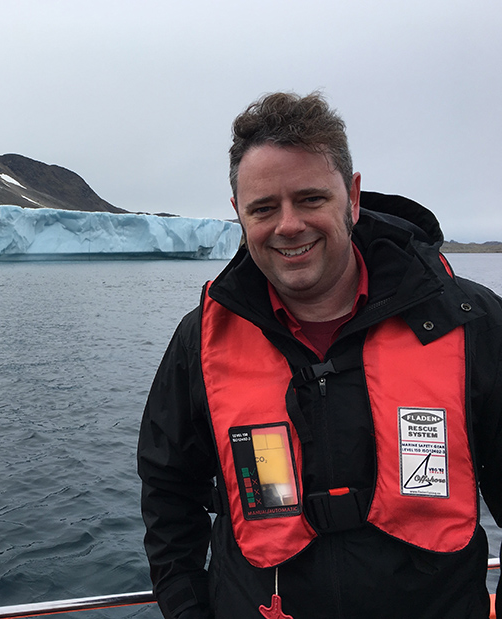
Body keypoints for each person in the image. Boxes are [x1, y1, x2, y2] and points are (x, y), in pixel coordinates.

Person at [137, 92, 502, 619]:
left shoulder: (470, 323)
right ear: (239, 213)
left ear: (351, 198)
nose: (288, 225)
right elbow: (168, 493)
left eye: (310, 199)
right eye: (264, 207)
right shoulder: (201, 343)